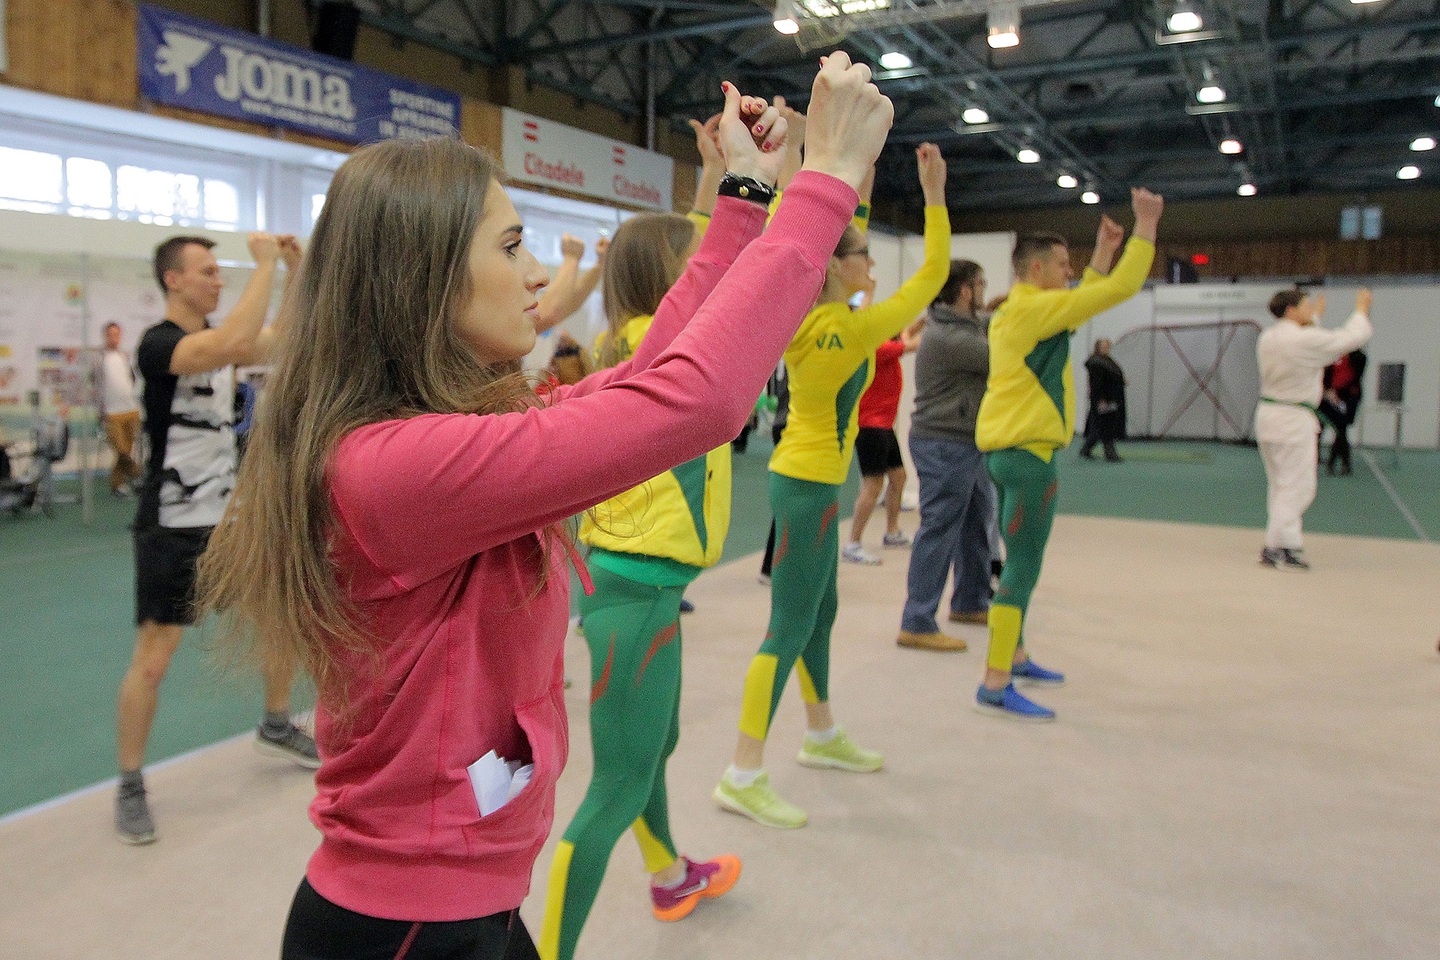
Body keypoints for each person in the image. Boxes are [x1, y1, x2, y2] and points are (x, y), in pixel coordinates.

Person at [195, 55, 893, 960]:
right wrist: (828, 184)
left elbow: (647, 376)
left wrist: (746, 197)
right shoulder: (396, 467)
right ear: (425, 279)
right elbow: (699, 400)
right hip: (414, 928)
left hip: (461, 905)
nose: (538, 276)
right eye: (512, 246)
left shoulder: (439, 436)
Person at [537, 118, 740, 960]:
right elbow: (718, 264)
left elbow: (703, 255)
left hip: (646, 585)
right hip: (633, 587)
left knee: (659, 746)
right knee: (612, 790)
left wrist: (713, 174)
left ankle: (669, 874)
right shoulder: (671, 353)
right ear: (677, 284)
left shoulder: (643, 346)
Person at [714, 142, 950, 830]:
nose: (872, 267)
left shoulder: (804, 315)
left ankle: (819, 734)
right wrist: (933, 198)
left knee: (819, 616)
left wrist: (852, 191)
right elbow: (932, 271)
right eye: (864, 257)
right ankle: (742, 771)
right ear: (838, 268)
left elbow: (813, 248)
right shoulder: (848, 329)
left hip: (806, 482)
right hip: (810, 488)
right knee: (787, 628)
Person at [115, 232, 314, 846]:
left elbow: (280, 335)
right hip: (173, 523)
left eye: (220, 272)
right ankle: (130, 783)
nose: (217, 280)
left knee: (276, 614)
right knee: (155, 656)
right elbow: (230, 342)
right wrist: (260, 266)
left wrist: (293, 270)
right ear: (173, 280)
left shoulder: (214, 343)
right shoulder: (160, 345)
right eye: (206, 272)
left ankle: (276, 722)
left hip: (231, 516)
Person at [974, 192, 1164, 722]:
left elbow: (1090, 297)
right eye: (1063, 264)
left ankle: (1015, 654)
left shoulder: (1027, 310)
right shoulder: (1034, 308)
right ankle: (995, 681)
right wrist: (1146, 225)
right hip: (1028, 457)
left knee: (1019, 565)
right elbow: (1120, 290)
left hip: (1008, 453)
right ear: (1036, 269)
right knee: (1022, 570)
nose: (1071, 270)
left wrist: (1104, 253)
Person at [896, 260, 994, 652]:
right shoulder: (951, 338)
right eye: (981, 284)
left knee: (975, 520)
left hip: (963, 440)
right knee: (939, 528)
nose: (985, 290)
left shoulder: (962, 328)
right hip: (945, 443)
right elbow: (1002, 354)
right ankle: (917, 621)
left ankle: (970, 601)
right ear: (966, 291)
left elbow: (989, 325)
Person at [1255, 288, 1373, 569]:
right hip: (1292, 420)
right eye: (1306, 305)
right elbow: (1347, 339)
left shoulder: (1269, 337)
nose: (1311, 308)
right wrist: (1361, 310)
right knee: (1297, 487)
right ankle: (1279, 547)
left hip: (1269, 415)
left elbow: (1310, 343)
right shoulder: (1301, 340)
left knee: (1281, 484)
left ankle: (1278, 543)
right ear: (1291, 311)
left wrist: (1316, 316)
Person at [842, 318, 925, 565]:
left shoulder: (886, 342)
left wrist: (923, 321)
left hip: (884, 426)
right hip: (870, 426)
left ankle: (892, 532)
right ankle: (853, 543)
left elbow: (906, 333)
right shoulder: (877, 349)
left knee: (899, 477)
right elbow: (911, 344)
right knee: (873, 485)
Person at [100, 321, 141, 496]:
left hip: (131, 408)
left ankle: (117, 484)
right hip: (111, 412)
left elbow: (133, 379)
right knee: (121, 450)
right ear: (105, 336)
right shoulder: (100, 358)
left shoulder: (125, 356)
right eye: (110, 335)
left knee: (128, 449)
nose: (114, 338)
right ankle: (136, 473)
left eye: (117, 334)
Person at [1319, 347, 1366, 476]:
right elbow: (1326, 374)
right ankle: (1340, 463)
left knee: (1341, 428)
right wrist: (1328, 390)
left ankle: (1337, 462)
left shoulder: (1358, 357)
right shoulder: (1332, 356)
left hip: (1349, 396)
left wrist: (1336, 390)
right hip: (1331, 396)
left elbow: (1354, 377)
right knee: (1339, 429)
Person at [1079, 338, 1127, 462]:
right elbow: (1096, 384)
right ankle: (1110, 453)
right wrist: (1101, 400)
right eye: (1104, 346)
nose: (1106, 348)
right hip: (1103, 400)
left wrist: (1121, 381)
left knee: (1100, 426)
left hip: (1111, 398)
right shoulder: (1096, 363)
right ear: (1098, 347)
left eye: (1108, 346)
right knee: (1105, 426)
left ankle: (1086, 449)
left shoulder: (1107, 361)